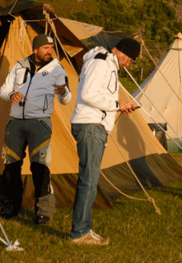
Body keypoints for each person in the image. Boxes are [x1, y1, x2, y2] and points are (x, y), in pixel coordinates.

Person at [69, 37, 142, 246]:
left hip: (95, 124)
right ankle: (80, 233)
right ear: (120, 51)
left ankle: (82, 229)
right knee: (89, 180)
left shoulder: (106, 63)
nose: (129, 64)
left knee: (89, 179)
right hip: (90, 125)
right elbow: (89, 94)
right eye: (129, 59)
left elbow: (98, 94)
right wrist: (116, 105)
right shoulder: (101, 63)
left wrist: (118, 104)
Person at [0, 32, 72, 223]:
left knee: (40, 169)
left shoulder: (57, 69)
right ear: (36, 49)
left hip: (40, 123)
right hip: (15, 123)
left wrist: (63, 92)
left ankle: (44, 212)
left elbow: (66, 99)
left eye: (51, 48)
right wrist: (12, 94)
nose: (50, 51)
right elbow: (3, 91)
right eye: (46, 48)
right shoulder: (19, 66)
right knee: (11, 168)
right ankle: (10, 209)